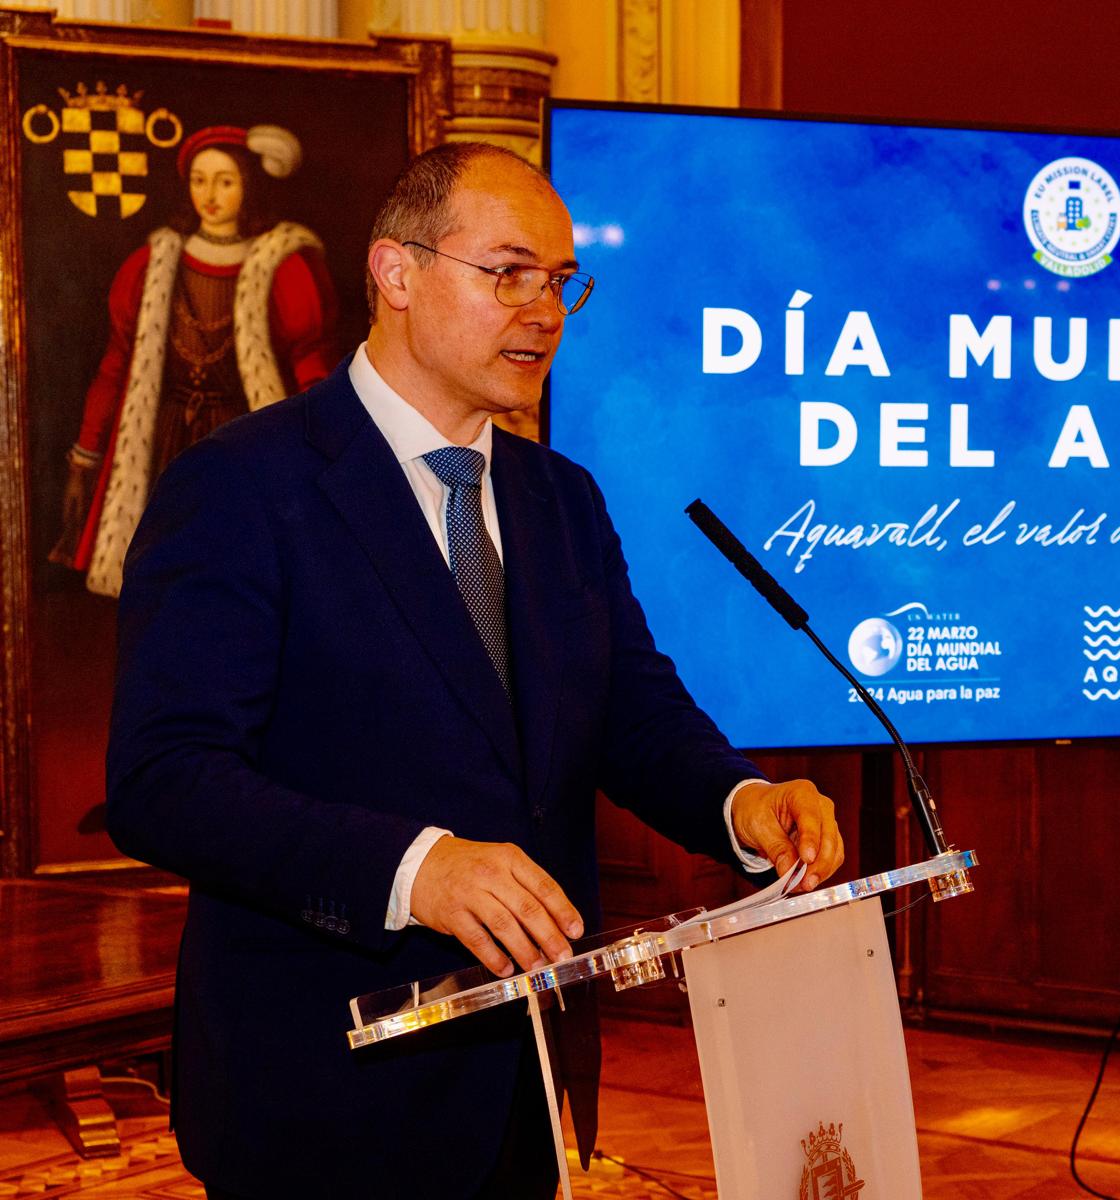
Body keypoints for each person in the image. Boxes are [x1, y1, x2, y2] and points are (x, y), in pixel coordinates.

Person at [105, 141, 844, 1199]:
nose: (542, 310)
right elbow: (164, 782)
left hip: (522, 1082)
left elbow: (630, 717)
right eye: (507, 273)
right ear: (397, 275)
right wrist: (419, 868)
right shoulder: (239, 489)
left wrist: (742, 800)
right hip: (322, 1088)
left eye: (560, 282)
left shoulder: (561, 500)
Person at [52, 123, 338, 597]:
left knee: (246, 578)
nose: (211, 194)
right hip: (166, 442)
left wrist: (326, 450)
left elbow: (314, 371)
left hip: (246, 438)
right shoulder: (153, 262)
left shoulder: (285, 264)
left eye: (225, 181)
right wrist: (86, 450)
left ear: (249, 185)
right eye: (199, 180)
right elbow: (115, 365)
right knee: (167, 577)